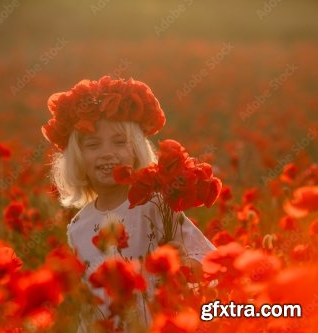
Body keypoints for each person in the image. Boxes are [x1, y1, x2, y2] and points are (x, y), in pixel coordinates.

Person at [41, 76, 216, 332]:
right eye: (92, 144)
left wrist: (184, 263)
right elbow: (88, 304)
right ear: (77, 158)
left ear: (136, 151)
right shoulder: (78, 227)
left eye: (120, 142)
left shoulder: (155, 205)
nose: (107, 152)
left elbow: (209, 260)